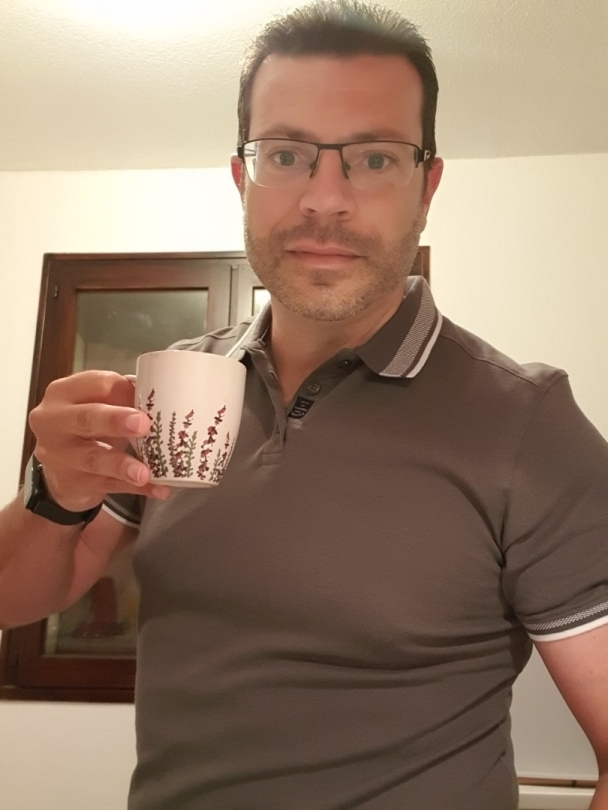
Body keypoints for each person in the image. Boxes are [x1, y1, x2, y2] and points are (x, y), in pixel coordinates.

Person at [1, 1, 607, 807]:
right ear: (240, 179)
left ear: (426, 187)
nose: (325, 199)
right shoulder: (175, 386)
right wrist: (53, 495)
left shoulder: (529, 423)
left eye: (375, 158)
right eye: (286, 155)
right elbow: (20, 597)